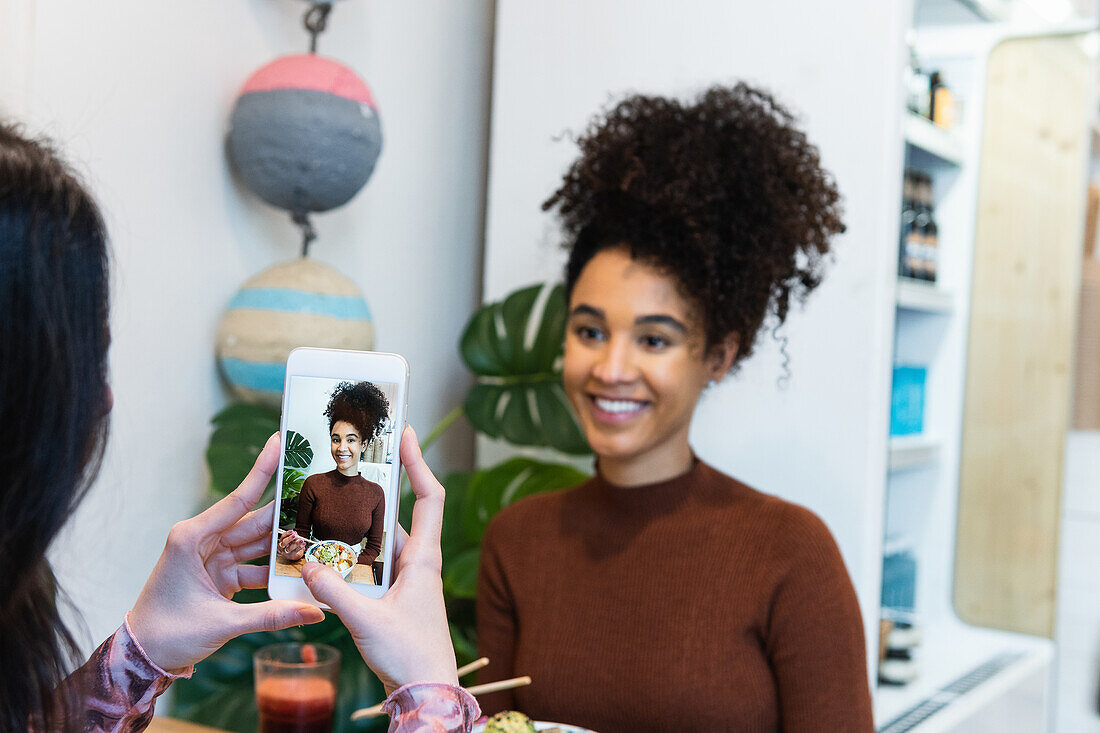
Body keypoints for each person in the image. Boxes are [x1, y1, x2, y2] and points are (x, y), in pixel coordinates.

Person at [0, 122, 477, 732]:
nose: (104, 400)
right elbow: (294, 542)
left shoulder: (377, 497)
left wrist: (140, 655)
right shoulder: (310, 489)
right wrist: (431, 697)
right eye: (86, 360)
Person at [476, 84, 875, 731]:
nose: (610, 368)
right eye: (589, 330)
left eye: (654, 339)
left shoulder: (790, 554)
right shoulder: (517, 543)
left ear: (717, 355)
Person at [279, 381, 389, 568]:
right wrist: (294, 549)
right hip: (314, 564)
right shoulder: (313, 484)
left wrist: (344, 564)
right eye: (336, 439)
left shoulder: (376, 493)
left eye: (351, 440)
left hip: (350, 569)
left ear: (364, 444)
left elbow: (373, 549)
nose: (341, 448)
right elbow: (302, 534)